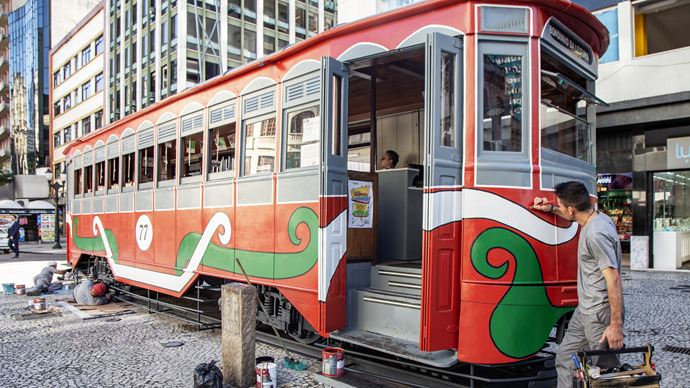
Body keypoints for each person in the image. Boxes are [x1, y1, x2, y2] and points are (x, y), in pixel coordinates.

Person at [533, 181, 624, 388]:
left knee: (605, 373)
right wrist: (552, 209)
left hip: (599, 314)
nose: (560, 208)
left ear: (572, 208)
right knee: (565, 358)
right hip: (585, 310)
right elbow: (571, 215)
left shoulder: (596, 234)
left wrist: (615, 325)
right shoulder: (596, 218)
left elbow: (613, 278)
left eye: (561, 205)